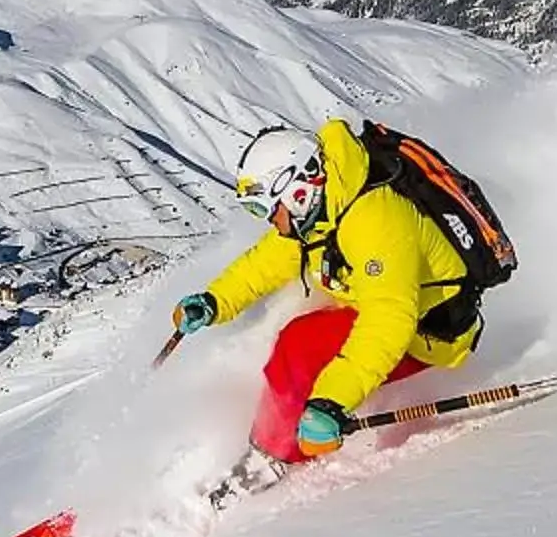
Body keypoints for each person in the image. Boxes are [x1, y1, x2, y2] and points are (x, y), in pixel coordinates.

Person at [171, 120, 487, 468]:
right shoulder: (327, 202)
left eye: (264, 208)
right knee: (295, 337)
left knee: (298, 346)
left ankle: (276, 456)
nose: (267, 220)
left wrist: (332, 401)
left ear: (297, 191)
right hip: (375, 303)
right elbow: (268, 261)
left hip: (427, 333)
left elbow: (388, 321)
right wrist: (215, 300)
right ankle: (273, 438)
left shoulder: (375, 221)